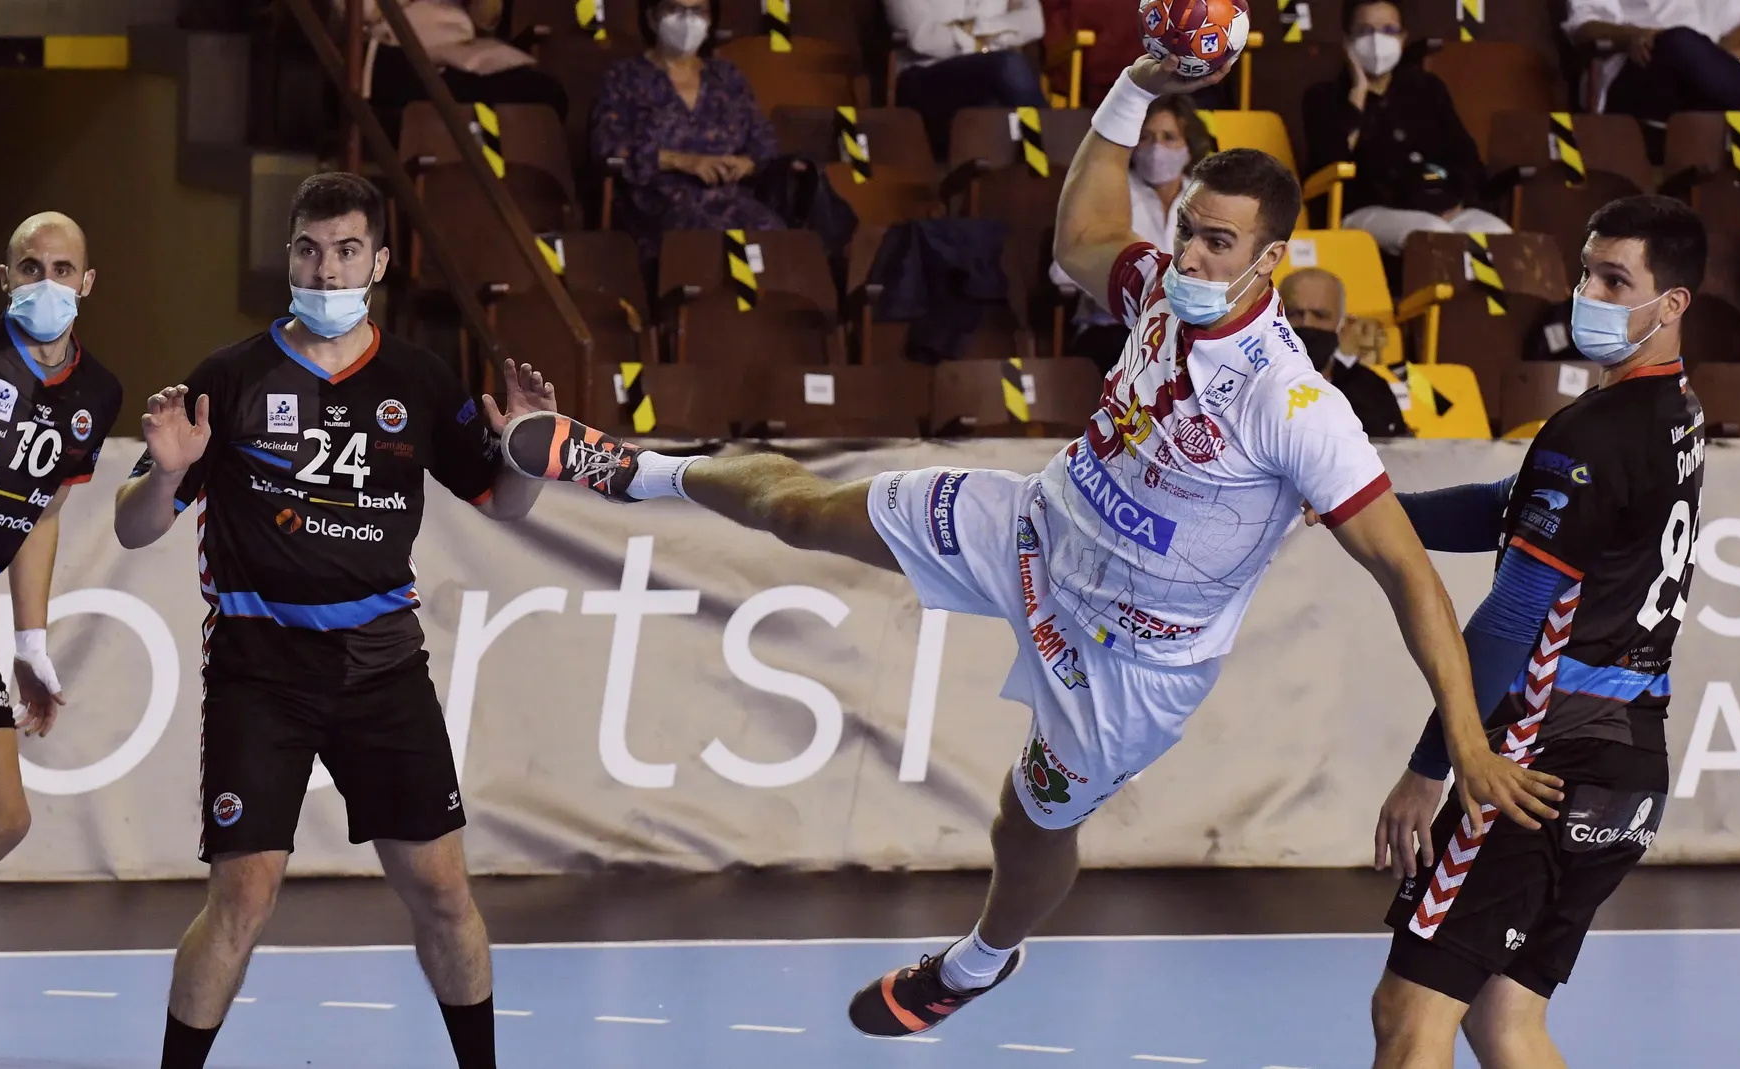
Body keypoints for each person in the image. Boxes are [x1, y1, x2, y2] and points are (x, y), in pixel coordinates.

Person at [493, 54, 1562, 1038]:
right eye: (1186, 225)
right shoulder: (1156, 291)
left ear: (1270, 260)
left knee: (1026, 820)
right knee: (806, 508)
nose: (1186, 251)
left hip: (1131, 660)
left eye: (1216, 242)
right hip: (1036, 530)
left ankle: (979, 959)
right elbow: (1077, 239)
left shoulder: (1295, 405)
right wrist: (1135, 84)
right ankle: (629, 468)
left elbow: (1410, 577)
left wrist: (1462, 749)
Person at [115, 173, 555, 1069]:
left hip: (382, 664)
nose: (326, 271)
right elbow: (132, 527)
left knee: (441, 889)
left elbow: (505, 505)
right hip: (260, 666)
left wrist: (531, 456)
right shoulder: (230, 377)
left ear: (380, 262)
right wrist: (163, 473)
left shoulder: (419, 380)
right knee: (243, 896)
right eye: (310, 251)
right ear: (289, 256)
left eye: (347, 251)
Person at [1365, 195, 1708, 1069]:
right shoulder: (1672, 415)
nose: (1585, 292)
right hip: (1626, 769)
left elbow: (1514, 615)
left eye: (1613, 279)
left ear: (1671, 304)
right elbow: (1508, 511)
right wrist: (1359, 512)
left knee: (1410, 1015)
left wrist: (1431, 767)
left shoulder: (1593, 433)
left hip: (1540, 767)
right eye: (1586, 271)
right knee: (1502, 1022)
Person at [0, 213, 123, 886]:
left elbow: (41, 515)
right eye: (32, 268)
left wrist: (31, 644)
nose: (48, 282)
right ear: (7, 279)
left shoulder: (98, 394)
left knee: (2, 820)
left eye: (63, 270)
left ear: (86, 282)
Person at [1305, 0, 1510, 256]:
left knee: (1499, 236)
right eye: (1365, 31)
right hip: (1365, 210)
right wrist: (1358, 92)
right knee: (1433, 234)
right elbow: (1331, 159)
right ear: (1347, 41)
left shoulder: (1426, 90)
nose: (1378, 40)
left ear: (1403, 39)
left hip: (1439, 207)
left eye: (1389, 31)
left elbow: (1465, 156)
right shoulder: (1324, 96)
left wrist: (1455, 201)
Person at [591, 0, 783, 262]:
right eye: (675, 10)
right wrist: (682, 161)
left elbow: (765, 143)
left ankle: (768, 302)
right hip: (658, 206)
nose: (687, 20)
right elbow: (607, 147)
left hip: (729, 200)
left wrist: (745, 163)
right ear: (651, 17)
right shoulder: (623, 77)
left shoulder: (728, 77)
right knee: (706, 239)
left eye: (698, 11)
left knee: (776, 237)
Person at [1053, 95, 1216, 369]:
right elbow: (1062, 272)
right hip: (1112, 330)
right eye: (1147, 137)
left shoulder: (1206, 198)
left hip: (1188, 332)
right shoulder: (1108, 190)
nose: (1156, 148)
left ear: (1190, 146)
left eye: (1169, 137)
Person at [353, 0, 570, 136]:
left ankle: (519, 192)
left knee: (546, 94)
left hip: (460, 51)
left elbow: (485, 20)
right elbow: (361, 10)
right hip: (392, 52)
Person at [1565, 0, 1740, 127]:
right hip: (1639, 65)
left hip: (1709, 72)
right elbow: (1584, 25)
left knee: (1691, 50)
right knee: (1678, 41)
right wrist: (1630, 36)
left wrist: (1728, 47)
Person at [886, 0, 1047, 159]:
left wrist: (969, 31)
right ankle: (1047, 158)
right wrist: (996, 35)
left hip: (994, 79)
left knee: (993, 104)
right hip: (925, 76)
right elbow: (922, 38)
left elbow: (1034, 23)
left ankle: (1041, 167)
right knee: (1008, 66)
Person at [1279, 267, 1409, 438]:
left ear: (1343, 326)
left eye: (1320, 315)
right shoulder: (1243, 384)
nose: (1306, 323)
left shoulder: (1371, 392)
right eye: (1294, 313)